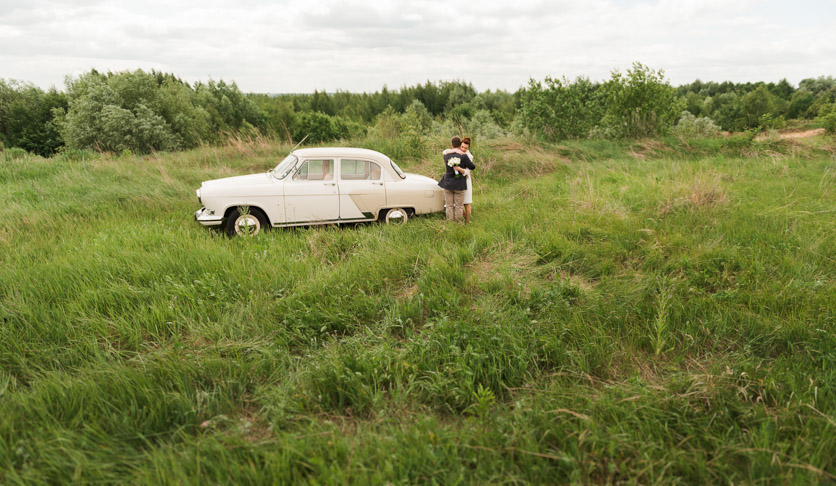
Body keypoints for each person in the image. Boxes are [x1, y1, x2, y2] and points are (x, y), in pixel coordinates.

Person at [438, 136, 475, 222]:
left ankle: (450, 222)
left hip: (447, 184)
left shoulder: (446, 155)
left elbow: (444, 152)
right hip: (459, 184)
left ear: (451, 145)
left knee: (449, 205)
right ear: (459, 145)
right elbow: (472, 167)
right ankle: (459, 222)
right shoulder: (463, 156)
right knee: (459, 206)